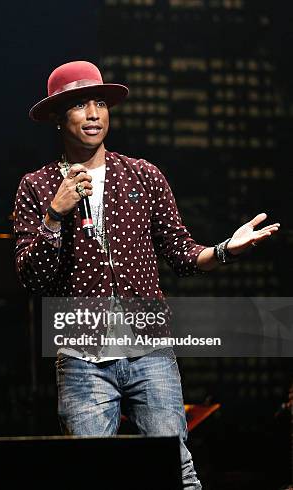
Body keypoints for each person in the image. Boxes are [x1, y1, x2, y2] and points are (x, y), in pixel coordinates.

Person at [14, 61, 279, 489]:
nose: (94, 114)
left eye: (100, 102)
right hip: (83, 356)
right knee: (89, 477)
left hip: (149, 351)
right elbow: (31, 275)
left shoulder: (142, 174)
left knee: (176, 471)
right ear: (59, 118)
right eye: (81, 105)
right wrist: (54, 216)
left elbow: (181, 253)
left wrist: (225, 250)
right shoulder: (37, 186)